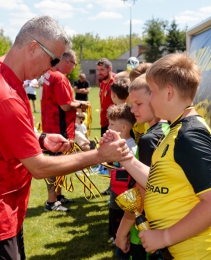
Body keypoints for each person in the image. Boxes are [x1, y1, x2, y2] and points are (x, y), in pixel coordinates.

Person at [0, 15, 130, 260]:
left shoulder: (10, 79)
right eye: (53, 59)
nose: (52, 68)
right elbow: (38, 167)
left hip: (12, 209)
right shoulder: (7, 95)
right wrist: (100, 155)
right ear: (33, 48)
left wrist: (40, 138)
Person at [105, 53, 211, 259]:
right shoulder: (175, 128)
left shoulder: (189, 136)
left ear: (169, 92)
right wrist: (125, 155)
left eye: (152, 92)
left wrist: (165, 236)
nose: (150, 99)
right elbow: (157, 181)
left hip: (199, 254)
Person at [116, 74, 170, 260]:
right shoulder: (170, 129)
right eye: (132, 104)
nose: (133, 110)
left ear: (156, 99)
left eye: (139, 104)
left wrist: (122, 231)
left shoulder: (149, 140)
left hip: (144, 231)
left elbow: (143, 191)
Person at [41, 50, 90, 212]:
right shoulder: (60, 78)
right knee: (55, 164)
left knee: (59, 163)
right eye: (74, 63)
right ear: (67, 62)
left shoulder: (49, 73)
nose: (74, 67)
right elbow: (65, 105)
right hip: (59, 126)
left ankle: (58, 196)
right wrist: (81, 104)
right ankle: (51, 201)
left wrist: (74, 102)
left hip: (51, 123)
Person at [106, 103, 137, 260]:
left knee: (121, 223)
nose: (108, 127)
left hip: (125, 199)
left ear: (124, 127)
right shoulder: (115, 145)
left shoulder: (131, 148)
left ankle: (122, 246)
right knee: (114, 220)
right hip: (115, 195)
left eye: (111, 124)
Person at [97, 58, 115, 136]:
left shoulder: (114, 84)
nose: (99, 72)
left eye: (102, 70)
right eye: (98, 69)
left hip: (113, 123)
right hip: (103, 121)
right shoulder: (102, 83)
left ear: (110, 69)